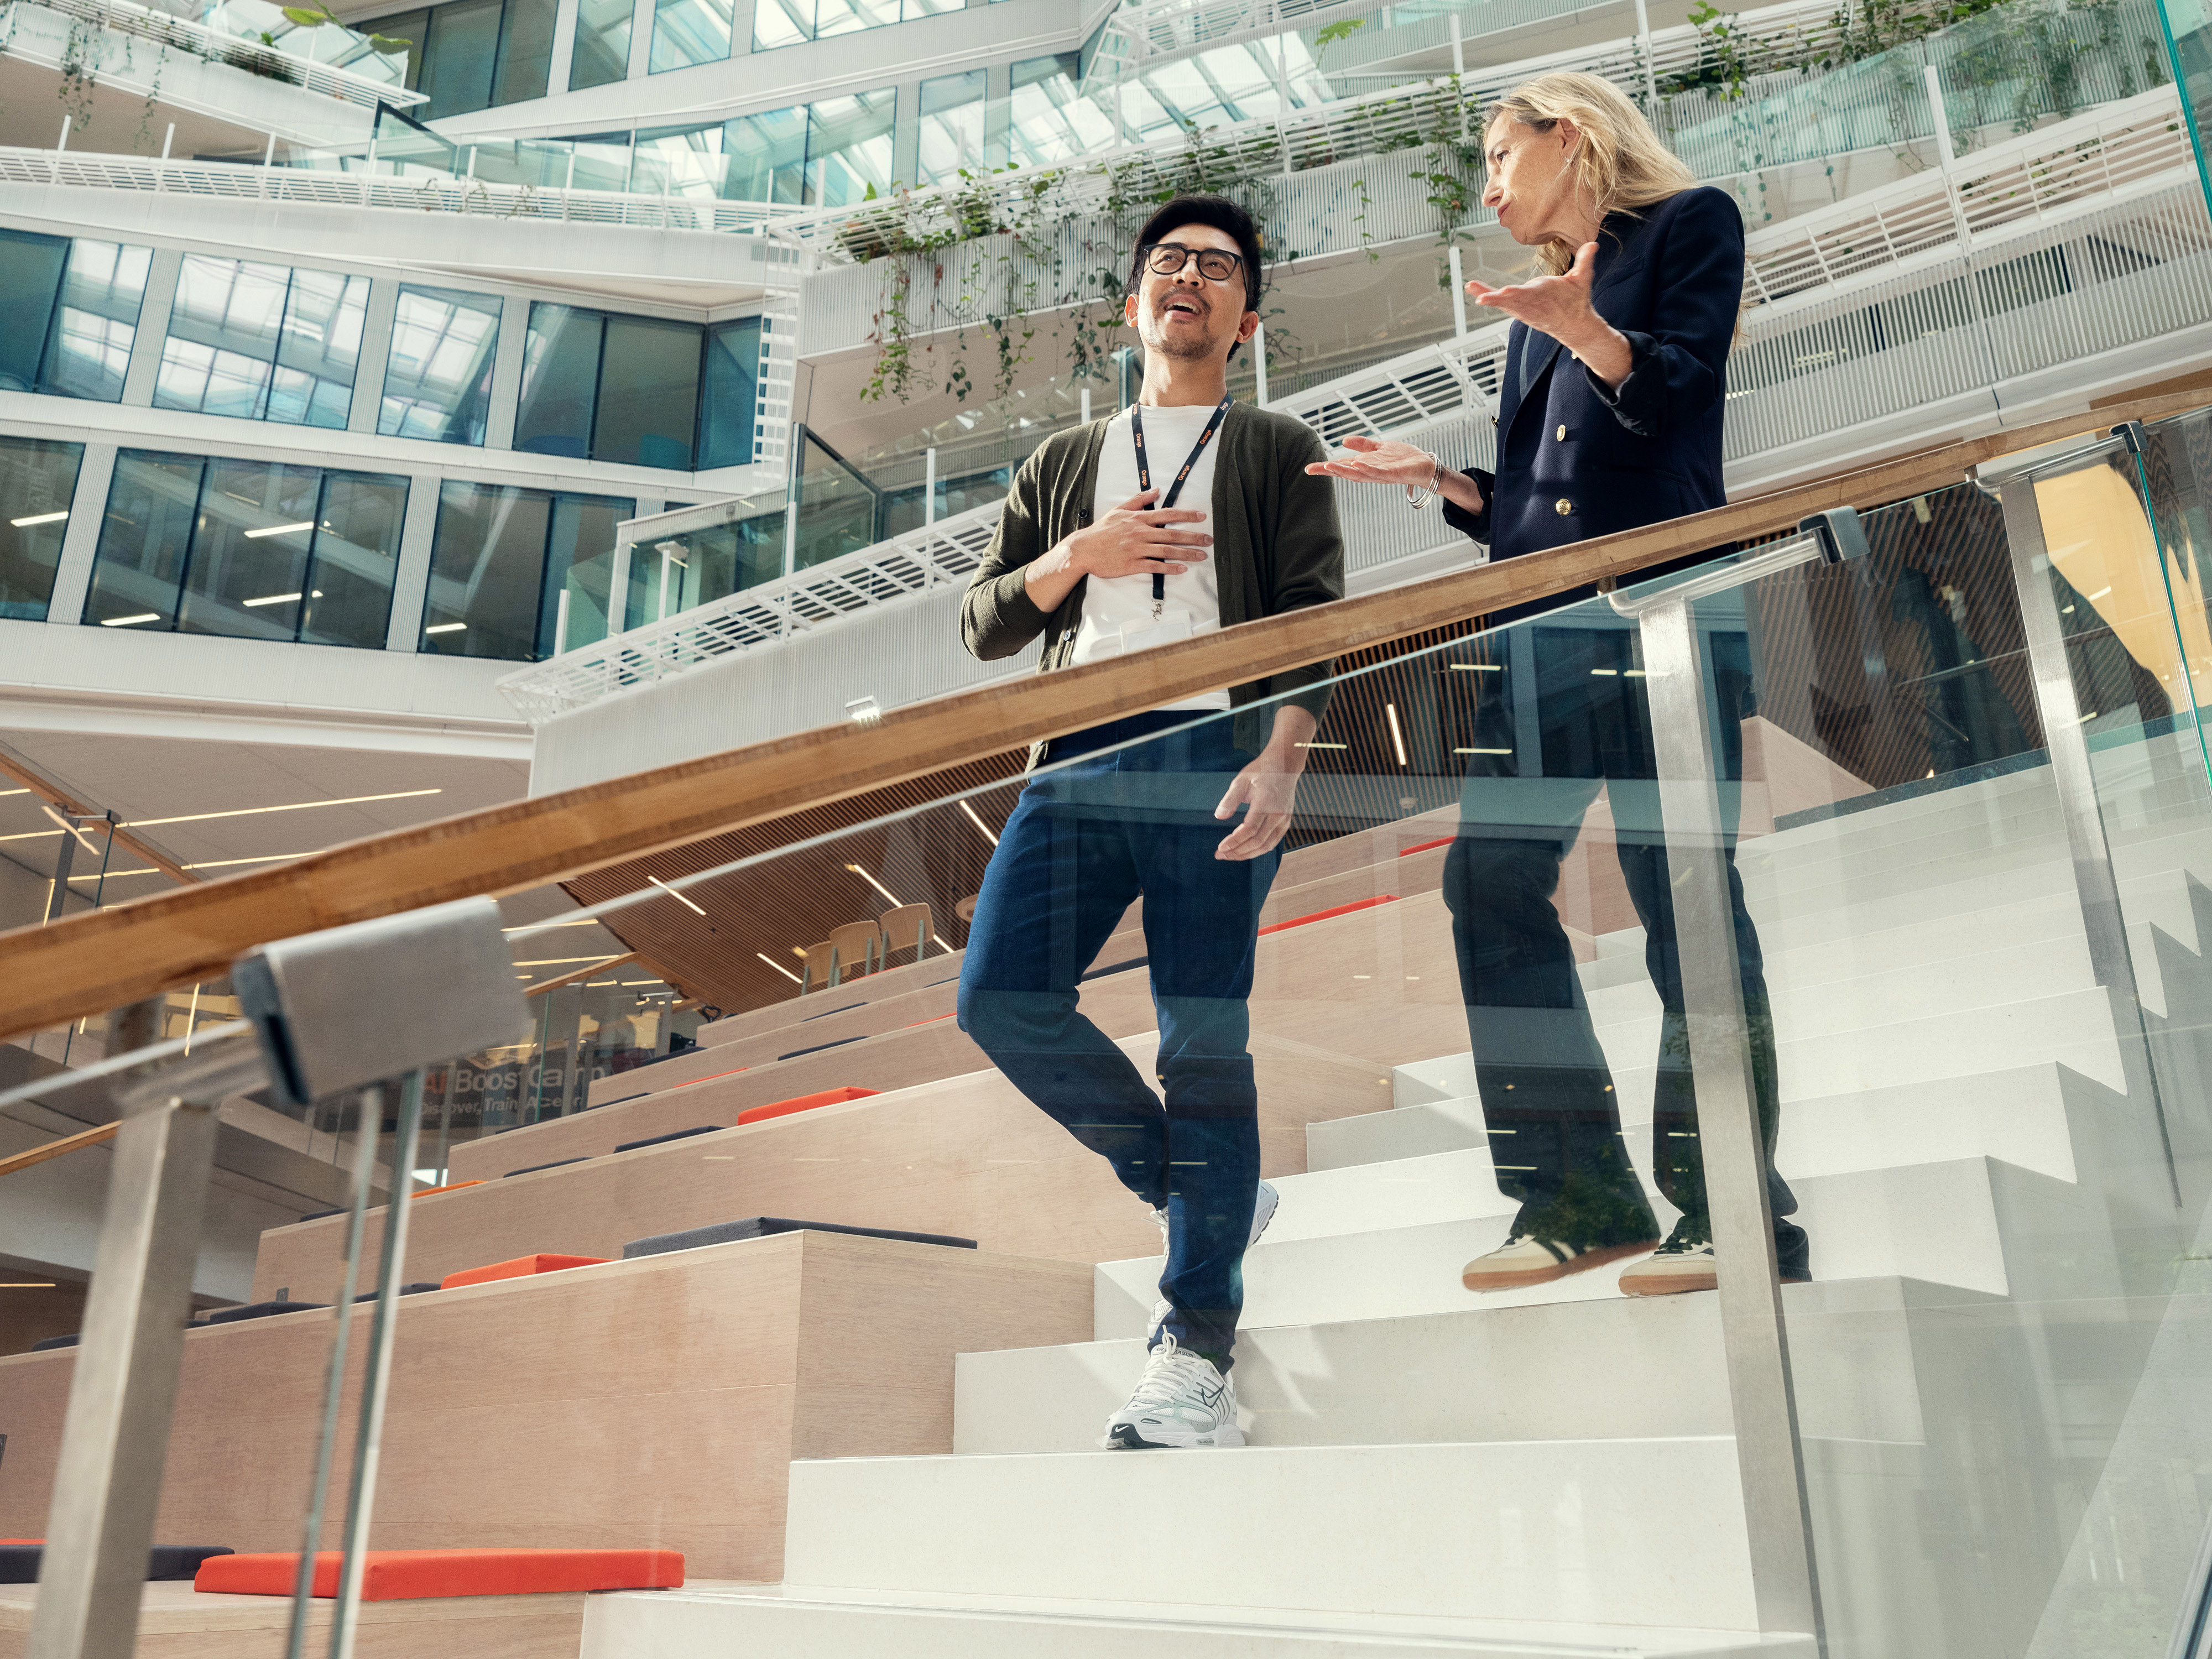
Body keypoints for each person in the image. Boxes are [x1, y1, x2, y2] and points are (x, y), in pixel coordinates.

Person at [1308, 71, 1810, 1297]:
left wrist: (1586, 327)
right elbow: (1537, 505)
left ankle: (1736, 1207)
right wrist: (1446, 481)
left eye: (1497, 156)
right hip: (1542, 632)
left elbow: (1678, 404)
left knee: (1679, 893)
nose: (1485, 187)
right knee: (1484, 884)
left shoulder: (1690, 224)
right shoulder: (1535, 305)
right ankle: (1576, 1194)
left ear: (1569, 136)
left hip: (1658, 619)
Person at [958, 195, 1345, 1449]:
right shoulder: (1065, 463)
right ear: (1132, 304)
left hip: (1213, 759)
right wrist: (1080, 555)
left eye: (1217, 268)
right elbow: (984, 623)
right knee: (998, 999)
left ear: (1245, 314)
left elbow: (1312, 619)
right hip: (1074, 758)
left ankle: (1193, 1349)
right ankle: (1192, 1187)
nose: (1188, 277)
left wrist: (1284, 761)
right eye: (1168, 262)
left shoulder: (1278, 444)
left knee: (1201, 1047)